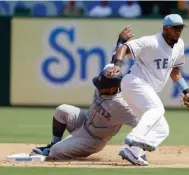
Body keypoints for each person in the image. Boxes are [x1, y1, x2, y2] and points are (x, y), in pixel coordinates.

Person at [32, 26, 148, 166]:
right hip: (84, 122)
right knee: (61, 110)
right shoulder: (110, 74)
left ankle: (56, 148)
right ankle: (53, 144)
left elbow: (144, 125)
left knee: (55, 152)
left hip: (94, 140)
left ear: (112, 88)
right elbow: (114, 58)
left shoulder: (122, 105)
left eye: (102, 86)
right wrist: (121, 40)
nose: (99, 87)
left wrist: (140, 150)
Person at [107, 14, 189, 152]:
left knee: (161, 129)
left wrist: (186, 91)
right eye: (175, 28)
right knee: (157, 109)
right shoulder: (151, 41)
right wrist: (118, 65)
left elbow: (175, 71)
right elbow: (123, 47)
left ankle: (132, 152)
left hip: (145, 88)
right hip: (135, 82)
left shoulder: (180, 44)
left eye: (180, 28)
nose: (178, 31)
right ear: (165, 28)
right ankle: (135, 136)